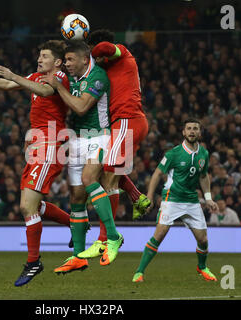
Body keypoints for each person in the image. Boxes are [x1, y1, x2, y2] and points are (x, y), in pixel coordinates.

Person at [0, 40, 71, 287]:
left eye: (44, 56)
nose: (39, 59)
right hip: (37, 144)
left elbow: (45, 91)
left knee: (27, 207)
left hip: (51, 142)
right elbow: (9, 84)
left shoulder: (60, 77)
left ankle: (34, 262)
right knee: (33, 205)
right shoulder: (35, 76)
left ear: (56, 61)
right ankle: (76, 223)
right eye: (39, 55)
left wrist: (15, 75)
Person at [42, 40, 124, 272]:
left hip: (99, 136)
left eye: (70, 60)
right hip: (77, 139)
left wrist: (58, 87)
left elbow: (80, 107)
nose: (66, 64)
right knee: (77, 198)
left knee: (89, 179)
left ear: (83, 59)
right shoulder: (71, 77)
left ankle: (113, 237)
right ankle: (78, 256)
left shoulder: (97, 76)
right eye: (65, 60)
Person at [77, 29, 151, 260]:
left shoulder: (122, 52)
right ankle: (138, 197)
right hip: (125, 124)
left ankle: (105, 240)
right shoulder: (109, 68)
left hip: (127, 121)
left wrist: (90, 50)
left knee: (108, 176)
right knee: (105, 171)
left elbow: (106, 48)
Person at [132, 118, 219, 283]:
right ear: (183, 132)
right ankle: (139, 272)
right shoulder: (173, 153)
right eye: (189, 129)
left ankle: (202, 267)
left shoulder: (204, 154)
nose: (192, 131)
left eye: (195, 128)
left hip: (192, 200)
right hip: (172, 198)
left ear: (199, 132)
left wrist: (208, 198)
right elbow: (157, 173)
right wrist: (150, 196)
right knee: (160, 233)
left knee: (203, 240)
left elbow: (203, 176)